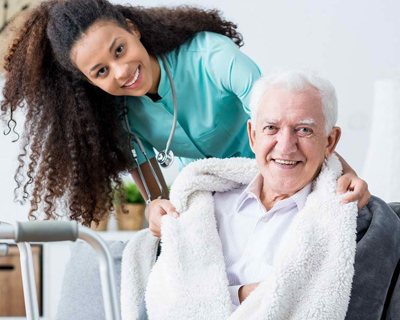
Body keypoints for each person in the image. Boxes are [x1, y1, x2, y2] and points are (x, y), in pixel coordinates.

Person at [1, 0, 369, 231]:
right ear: (88, 82)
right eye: (100, 71)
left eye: (119, 49)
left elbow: (287, 124)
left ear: (132, 29)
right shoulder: (120, 117)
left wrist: (348, 174)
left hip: (280, 178)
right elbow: (157, 197)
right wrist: (158, 213)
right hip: (218, 199)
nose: (120, 71)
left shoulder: (212, 57)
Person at [119, 71, 400, 319]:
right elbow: (168, 297)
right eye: (271, 128)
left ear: (330, 141)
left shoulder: (343, 222)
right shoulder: (202, 201)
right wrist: (242, 295)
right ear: (253, 136)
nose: (286, 146)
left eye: (304, 129)